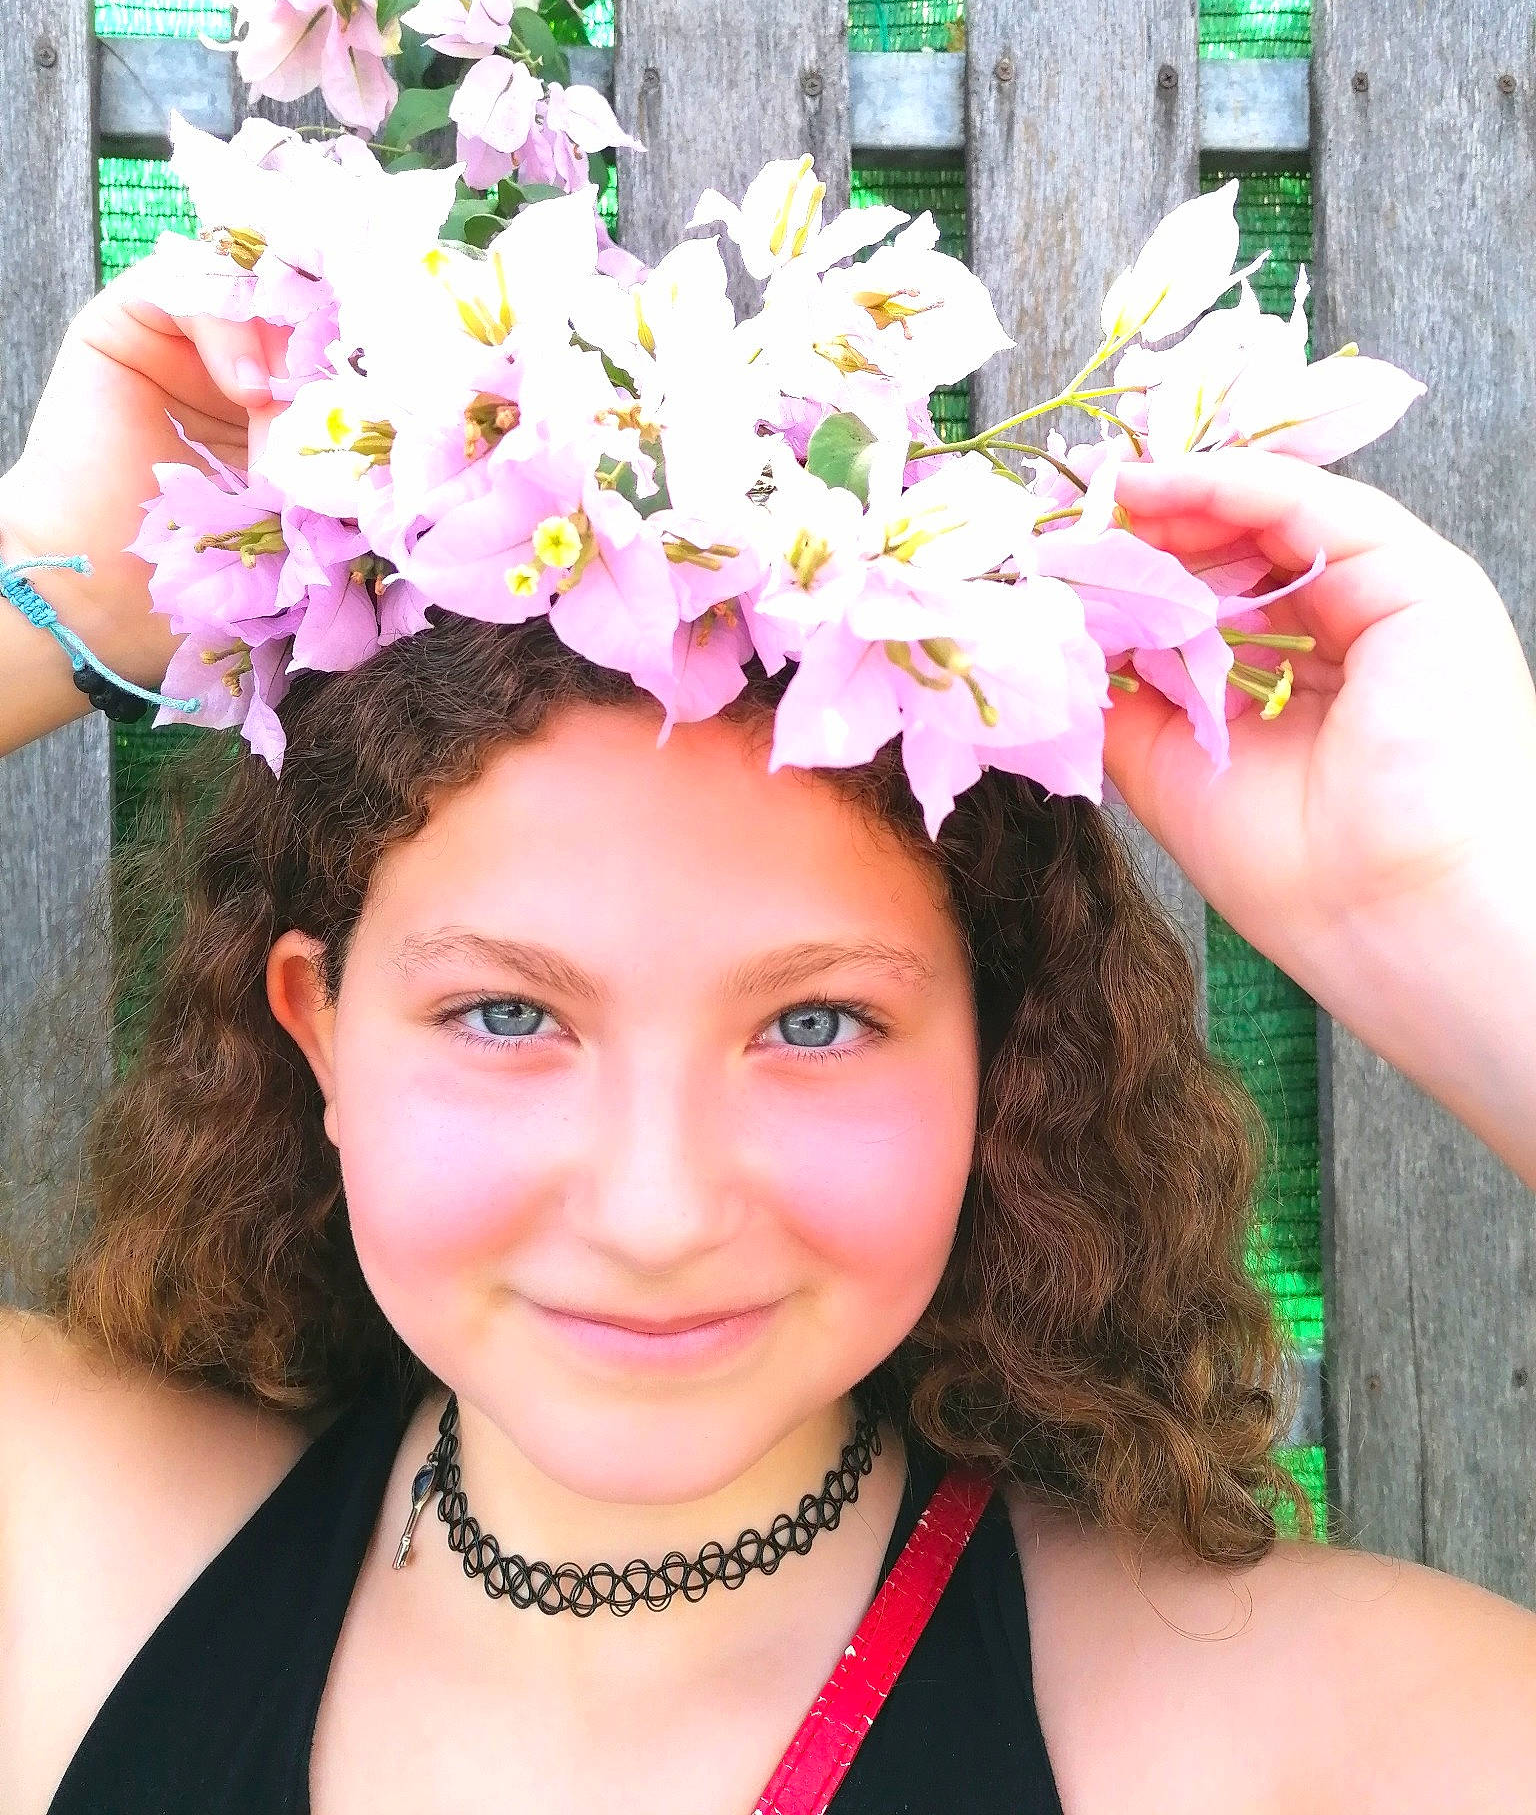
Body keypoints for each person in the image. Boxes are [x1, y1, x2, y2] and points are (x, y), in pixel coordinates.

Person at [0, 259, 1533, 1815]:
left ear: (996, 1059)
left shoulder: (1318, 1744)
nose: (656, 1214)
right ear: (316, 1038)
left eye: (817, 1023)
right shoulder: (61, 1560)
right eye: (507, 1014)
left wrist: (1464, 921)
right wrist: (59, 583)